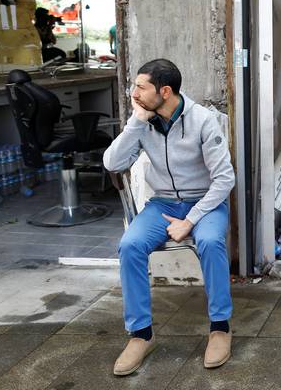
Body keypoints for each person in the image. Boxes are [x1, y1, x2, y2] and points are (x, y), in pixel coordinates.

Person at [103, 59, 235, 376]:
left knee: (210, 241)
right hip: (162, 204)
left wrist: (190, 220)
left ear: (164, 91)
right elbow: (112, 162)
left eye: (141, 87)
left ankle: (220, 327)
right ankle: (141, 334)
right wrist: (135, 121)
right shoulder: (143, 121)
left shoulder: (202, 120)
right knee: (130, 246)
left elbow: (224, 179)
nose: (133, 92)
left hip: (204, 204)